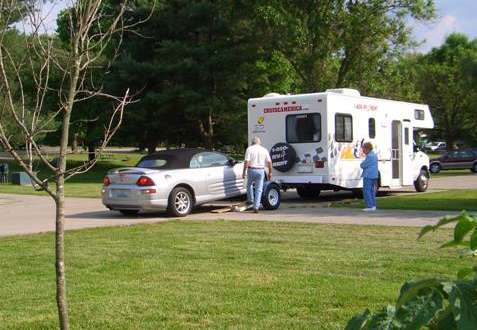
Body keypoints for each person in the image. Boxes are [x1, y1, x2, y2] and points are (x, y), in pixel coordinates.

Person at [242, 137, 273, 213]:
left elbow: (247, 161)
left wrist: (244, 171)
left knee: (249, 185)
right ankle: (256, 207)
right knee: (259, 189)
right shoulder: (264, 149)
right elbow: (269, 162)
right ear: (259, 142)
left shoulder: (249, 149)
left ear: (252, 143)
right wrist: (270, 172)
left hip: (251, 169)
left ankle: (251, 200)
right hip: (261, 170)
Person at [360, 142, 378, 211]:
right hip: (374, 175)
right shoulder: (374, 155)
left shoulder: (369, 156)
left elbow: (363, 165)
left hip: (368, 175)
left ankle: (369, 206)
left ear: (367, 149)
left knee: (366, 190)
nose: (363, 151)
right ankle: (373, 205)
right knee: (371, 191)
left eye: (364, 149)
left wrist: (361, 164)